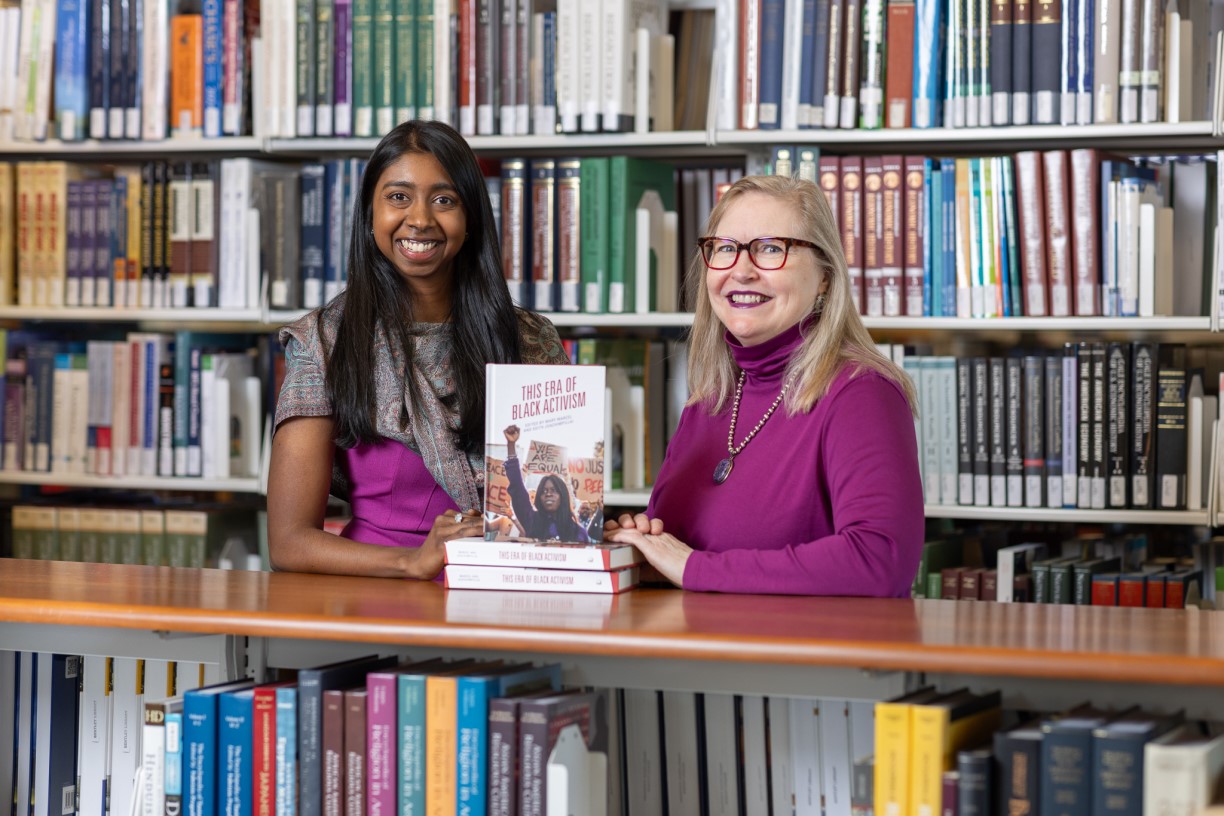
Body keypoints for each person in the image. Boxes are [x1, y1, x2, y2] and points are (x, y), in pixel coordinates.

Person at [267, 120, 569, 579]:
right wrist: (411, 563)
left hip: (510, 586)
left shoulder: (531, 339)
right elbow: (288, 542)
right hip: (377, 593)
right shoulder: (326, 343)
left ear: (470, 220)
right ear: (370, 214)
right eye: (398, 196)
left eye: (444, 200)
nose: (421, 218)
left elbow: (555, 509)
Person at [605, 174, 924, 596]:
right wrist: (643, 548)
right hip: (692, 651)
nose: (741, 271)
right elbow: (684, 560)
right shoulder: (709, 402)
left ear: (825, 275)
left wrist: (693, 567)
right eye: (725, 249)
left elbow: (880, 560)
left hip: (801, 658)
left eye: (770, 249)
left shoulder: (861, 392)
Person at [502, 424, 591, 542]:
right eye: (544, 491)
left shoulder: (578, 532)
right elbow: (518, 488)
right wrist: (511, 445)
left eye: (553, 490)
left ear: (563, 495)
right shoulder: (532, 520)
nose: (548, 494)